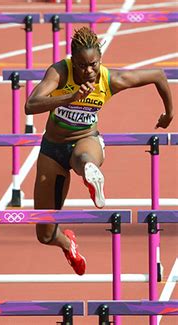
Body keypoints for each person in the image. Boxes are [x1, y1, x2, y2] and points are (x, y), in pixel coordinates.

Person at [25, 27, 174, 275]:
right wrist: (68, 98)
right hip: (52, 150)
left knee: (84, 157)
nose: (88, 71)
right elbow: (31, 105)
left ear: (100, 59)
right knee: (45, 233)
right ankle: (67, 242)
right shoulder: (59, 72)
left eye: (93, 64)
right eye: (82, 65)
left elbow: (158, 75)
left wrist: (169, 113)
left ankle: (90, 174)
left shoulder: (108, 80)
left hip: (86, 139)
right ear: (73, 61)